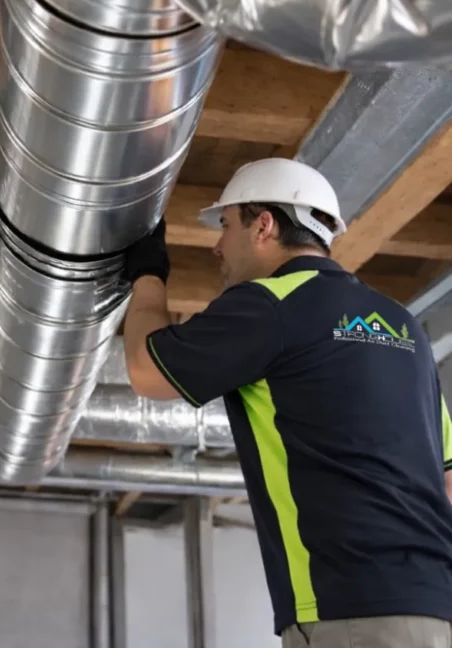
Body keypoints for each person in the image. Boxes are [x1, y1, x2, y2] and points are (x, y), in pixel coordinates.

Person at [123, 157, 452, 648]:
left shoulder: (272, 303)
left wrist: (148, 275)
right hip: (435, 608)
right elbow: (446, 478)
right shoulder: (402, 325)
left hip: (349, 610)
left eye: (226, 225)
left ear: (264, 225)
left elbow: (147, 371)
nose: (217, 246)